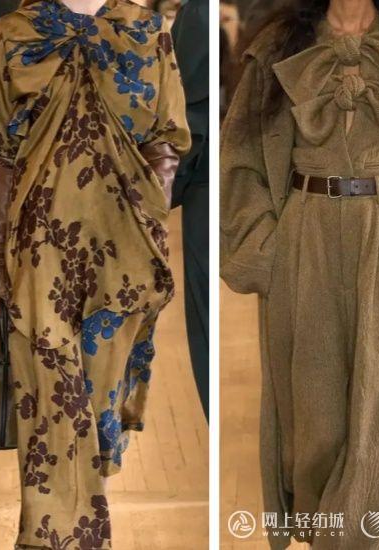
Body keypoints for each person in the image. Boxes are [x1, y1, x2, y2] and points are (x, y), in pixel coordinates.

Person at [221, 0, 379, 548]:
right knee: (314, 425)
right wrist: (267, 247)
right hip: (305, 239)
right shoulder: (278, 51)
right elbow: (239, 161)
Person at [0, 0, 190, 547]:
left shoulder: (145, 32)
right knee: (51, 400)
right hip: (37, 246)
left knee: (97, 408)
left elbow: (166, 143)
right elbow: (2, 153)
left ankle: (70, 525)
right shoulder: (15, 33)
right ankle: (56, 536)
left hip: (124, 248)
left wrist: (152, 223)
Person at [171, 0, 209, 422]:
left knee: (205, 321)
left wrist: (161, 193)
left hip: (206, 183)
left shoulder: (198, 14)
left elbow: (187, 119)